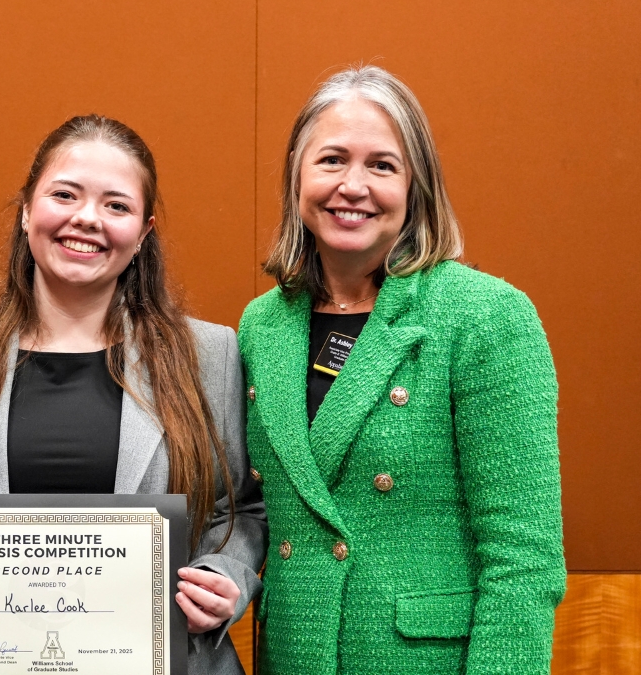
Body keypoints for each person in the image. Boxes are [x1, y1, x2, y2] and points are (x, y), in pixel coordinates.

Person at [0, 115, 267, 674]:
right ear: (27, 210)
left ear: (144, 232)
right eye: (65, 195)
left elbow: (240, 509)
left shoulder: (209, 355)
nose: (87, 219)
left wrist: (226, 576)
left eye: (116, 205)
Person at [238, 66, 565, 674]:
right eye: (331, 159)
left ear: (416, 187)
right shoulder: (262, 324)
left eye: (382, 166)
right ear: (296, 176)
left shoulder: (486, 316)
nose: (352, 186)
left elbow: (524, 559)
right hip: (292, 656)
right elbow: (256, 508)